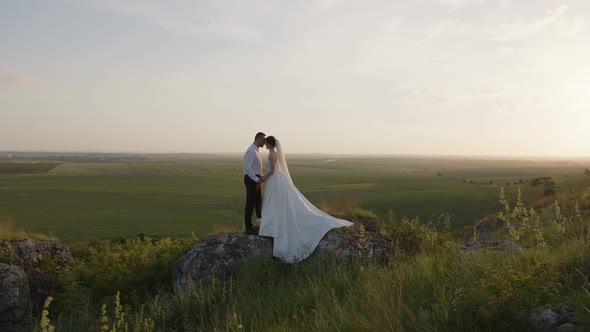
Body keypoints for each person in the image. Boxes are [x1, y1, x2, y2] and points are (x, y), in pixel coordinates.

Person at [259, 136, 353, 263]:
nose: (264, 144)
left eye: (265, 143)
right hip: (279, 179)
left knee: (274, 203)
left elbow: (271, 171)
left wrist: (263, 178)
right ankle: (273, 223)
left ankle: (272, 225)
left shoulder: (271, 155)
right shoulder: (274, 153)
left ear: (269, 144)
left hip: (275, 180)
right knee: (276, 203)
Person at [243, 132, 266, 235]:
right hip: (251, 179)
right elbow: (247, 169)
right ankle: (248, 228)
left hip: (256, 178)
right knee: (250, 204)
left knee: (258, 202)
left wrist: (261, 176)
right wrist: (257, 180)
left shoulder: (256, 150)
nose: (264, 142)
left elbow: (256, 167)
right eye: (263, 140)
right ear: (257, 139)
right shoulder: (251, 151)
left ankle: (261, 224)